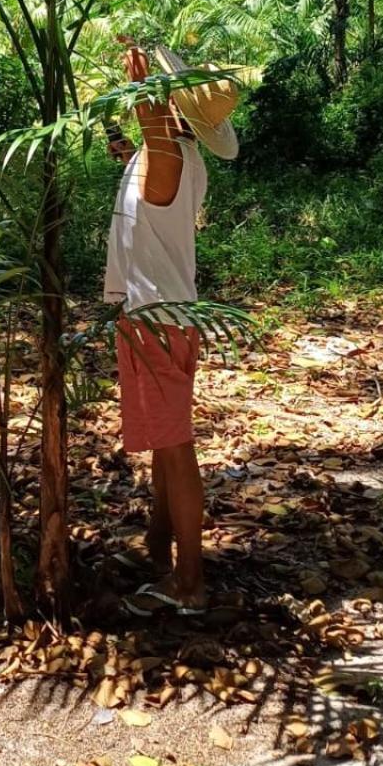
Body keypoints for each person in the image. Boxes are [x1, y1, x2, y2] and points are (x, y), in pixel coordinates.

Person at [104, 38, 239, 614]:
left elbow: (150, 127)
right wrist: (127, 134)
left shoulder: (167, 157)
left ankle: (189, 583)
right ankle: (159, 551)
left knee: (176, 448)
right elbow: (145, 142)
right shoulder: (172, 158)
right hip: (168, 317)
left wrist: (139, 82)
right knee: (165, 445)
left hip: (156, 321)